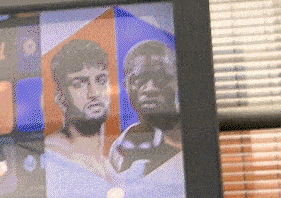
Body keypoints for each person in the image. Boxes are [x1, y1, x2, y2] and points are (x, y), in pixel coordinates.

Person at [44, 38, 117, 182]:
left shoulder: (108, 168)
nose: (94, 93)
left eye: (101, 80)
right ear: (60, 98)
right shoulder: (51, 155)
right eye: (78, 84)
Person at [109, 40, 182, 178]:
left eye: (160, 78)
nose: (150, 89)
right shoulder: (120, 146)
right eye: (139, 80)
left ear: (177, 82)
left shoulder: (196, 133)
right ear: (127, 86)